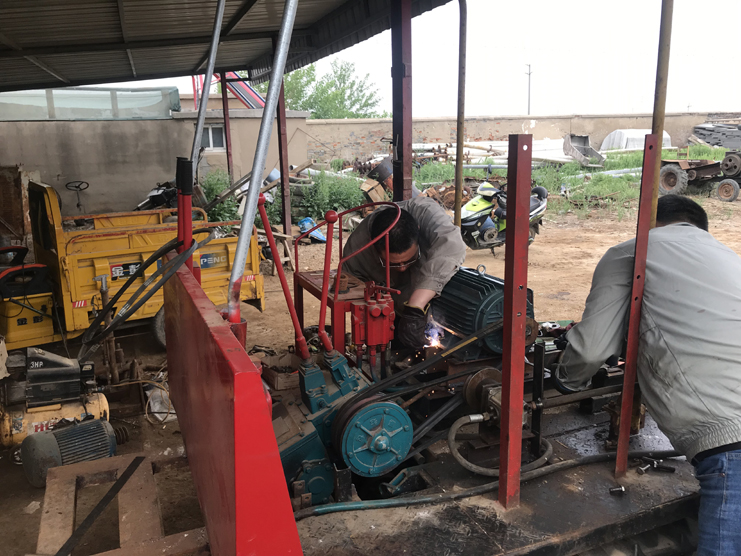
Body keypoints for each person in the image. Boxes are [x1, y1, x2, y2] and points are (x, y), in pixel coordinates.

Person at [555, 195, 741, 555]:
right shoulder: (727, 256)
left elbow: (590, 350)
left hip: (730, 445)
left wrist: (564, 379)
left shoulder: (634, 251)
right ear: (699, 227)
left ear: (650, 224)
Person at [343, 196, 467, 348]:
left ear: (418, 232)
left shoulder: (427, 213)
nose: (402, 268)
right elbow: (354, 289)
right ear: (374, 245)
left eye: (409, 260)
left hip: (424, 301)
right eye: (393, 264)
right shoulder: (356, 250)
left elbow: (453, 246)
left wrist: (415, 307)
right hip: (390, 309)